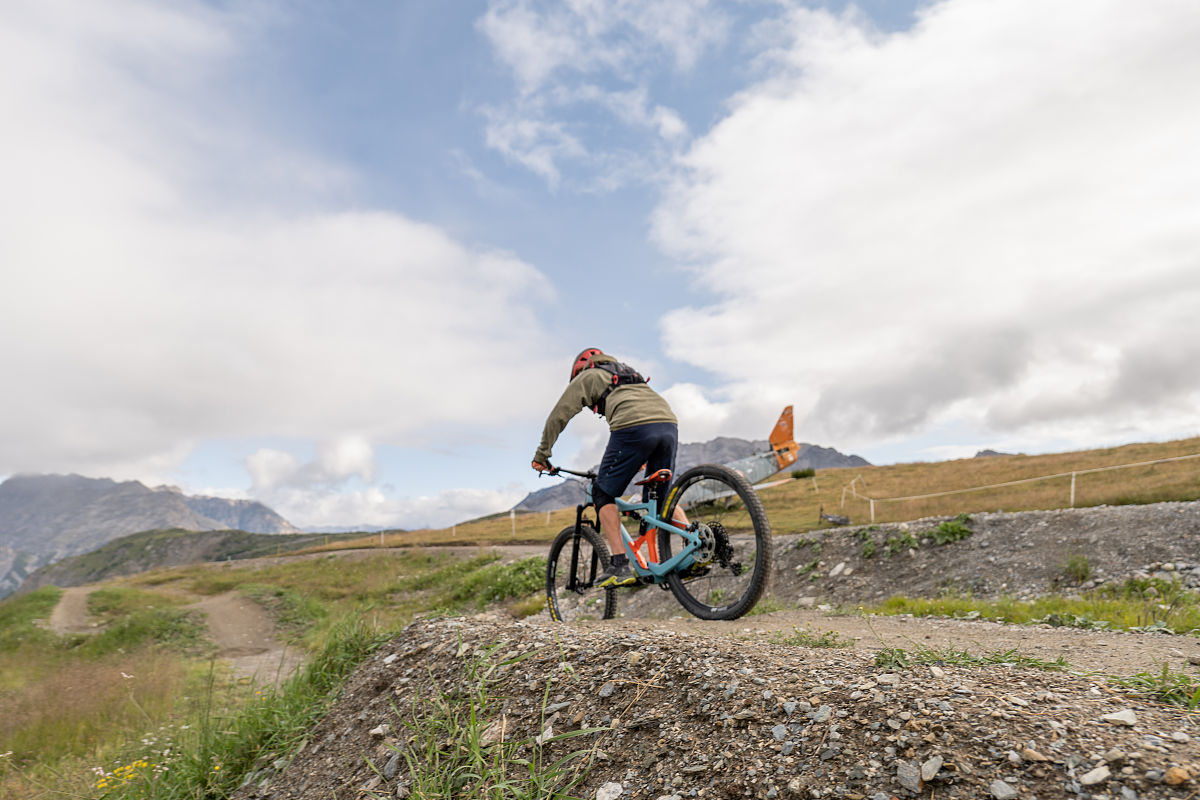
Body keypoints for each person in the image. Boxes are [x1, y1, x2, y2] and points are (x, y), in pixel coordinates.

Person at [532, 348, 683, 587]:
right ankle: (694, 548)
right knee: (662, 500)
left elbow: (559, 415)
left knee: (603, 493)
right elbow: (644, 412)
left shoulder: (588, 376)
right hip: (668, 425)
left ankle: (619, 564)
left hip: (633, 426)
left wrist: (542, 455)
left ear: (581, 368)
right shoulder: (628, 372)